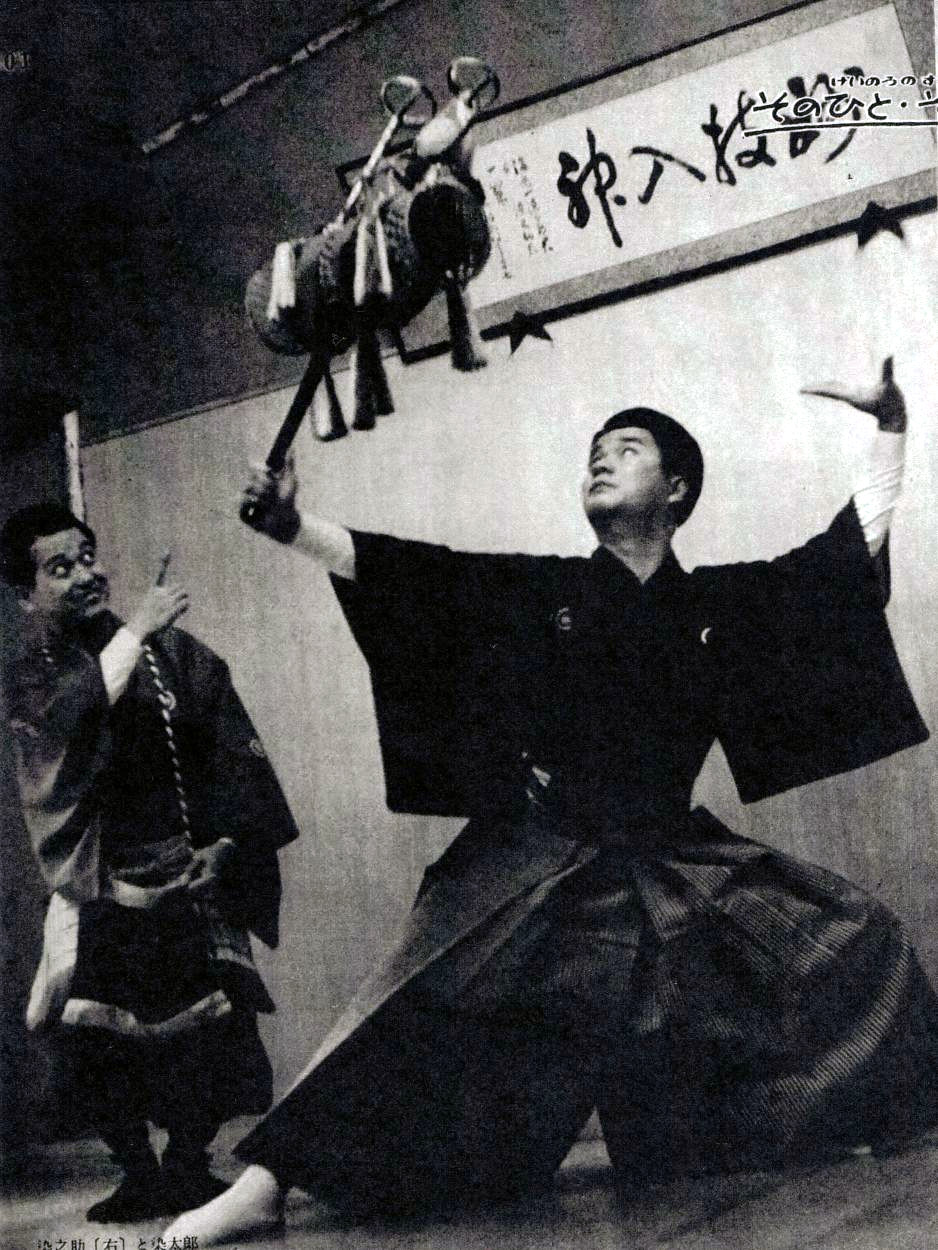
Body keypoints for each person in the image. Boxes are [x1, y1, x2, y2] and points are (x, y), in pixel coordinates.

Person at [167, 357, 937, 1244]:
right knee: (416, 998)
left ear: (677, 490)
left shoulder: (718, 605)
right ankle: (267, 1181)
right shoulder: (543, 592)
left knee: (856, 937)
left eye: (629, 448)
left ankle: (826, 1118)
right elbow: (423, 580)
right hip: (540, 850)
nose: (601, 458)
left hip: (669, 862)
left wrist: (891, 427)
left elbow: (838, 566)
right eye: (594, 451)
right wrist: (294, 527)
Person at [1, 505, 300, 1222]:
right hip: (102, 882)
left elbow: (235, 755)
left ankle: (189, 1165)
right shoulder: (33, 677)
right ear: (25, 595)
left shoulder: (177, 656)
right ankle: (136, 1171)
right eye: (59, 568)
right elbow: (62, 737)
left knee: (210, 1031)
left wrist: (227, 845)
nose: (85, 574)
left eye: (88, 556)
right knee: (100, 1040)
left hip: (186, 873)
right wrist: (134, 633)